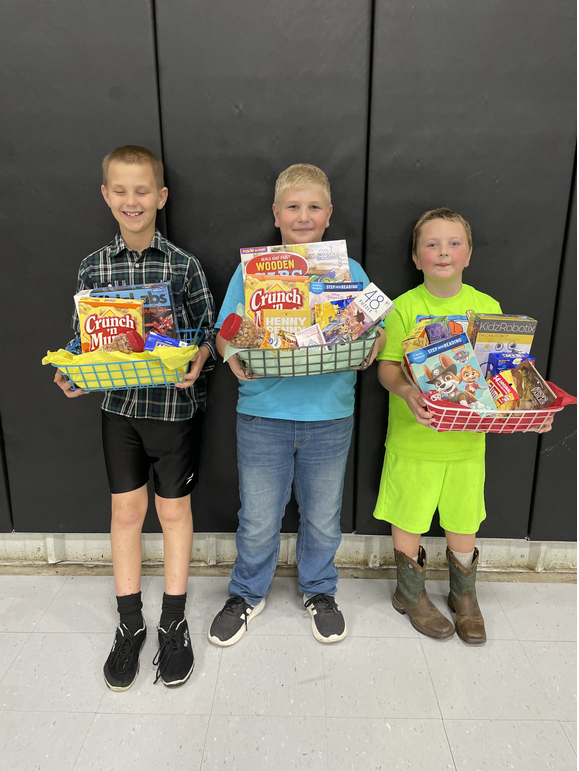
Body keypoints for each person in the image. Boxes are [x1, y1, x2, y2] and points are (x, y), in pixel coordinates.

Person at [54, 146, 216, 689]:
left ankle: (173, 622)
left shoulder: (183, 265)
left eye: (142, 190)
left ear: (161, 197)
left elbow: (210, 335)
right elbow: (84, 340)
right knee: (125, 512)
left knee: (173, 514)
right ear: (105, 195)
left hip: (173, 412)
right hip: (119, 410)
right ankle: (129, 625)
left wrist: (197, 363)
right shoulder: (93, 266)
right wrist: (73, 369)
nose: (131, 200)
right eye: (120, 190)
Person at [207, 163, 385, 647]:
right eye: (292, 207)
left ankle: (319, 591)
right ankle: (246, 593)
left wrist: (377, 339)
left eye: (313, 207)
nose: (302, 216)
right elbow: (225, 330)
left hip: (330, 415)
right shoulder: (253, 271)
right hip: (263, 413)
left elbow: (375, 324)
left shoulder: (348, 271)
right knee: (259, 517)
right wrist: (229, 355)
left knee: (324, 516)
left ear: (329, 216)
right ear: (276, 214)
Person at [373, 207, 552, 644]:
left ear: (468, 254)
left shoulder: (486, 308)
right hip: (414, 437)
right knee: (408, 513)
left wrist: (528, 403)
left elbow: (502, 371)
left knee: (463, 515)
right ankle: (409, 593)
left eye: (453, 243)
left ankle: (464, 595)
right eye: (431, 244)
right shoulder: (403, 308)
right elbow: (386, 368)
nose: (442, 252)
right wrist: (407, 392)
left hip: (468, 442)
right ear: (416, 258)